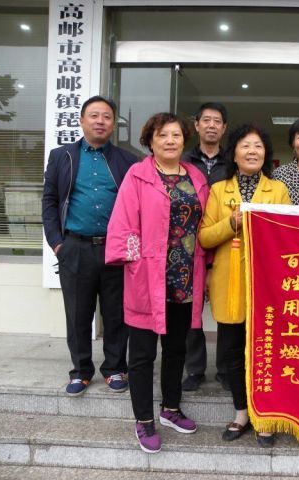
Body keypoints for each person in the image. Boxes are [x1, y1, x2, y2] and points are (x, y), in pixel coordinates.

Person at [105, 113, 210, 454]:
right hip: (148, 277)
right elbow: (124, 224)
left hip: (185, 277)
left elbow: (205, 226)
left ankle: (171, 408)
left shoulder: (196, 177)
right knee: (142, 353)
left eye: (176, 135)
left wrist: (208, 266)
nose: (170, 140)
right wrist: (136, 262)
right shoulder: (138, 175)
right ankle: (144, 419)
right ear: (150, 141)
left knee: (177, 348)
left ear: (184, 140)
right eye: (162, 135)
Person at [198, 124, 291, 448]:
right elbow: (205, 237)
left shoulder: (278, 190)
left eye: (258, 146)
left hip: (268, 284)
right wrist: (231, 223)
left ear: (266, 154)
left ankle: (266, 415)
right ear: (234, 154)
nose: (252, 151)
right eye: (245, 146)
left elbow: (289, 236)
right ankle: (241, 412)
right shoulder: (218, 190)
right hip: (230, 285)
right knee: (232, 353)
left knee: (267, 352)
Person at [42, 95, 137, 396]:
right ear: (81, 120)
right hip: (75, 247)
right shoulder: (62, 156)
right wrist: (57, 243)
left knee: (116, 314)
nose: (100, 121)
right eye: (94, 115)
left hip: (115, 249)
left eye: (106, 116)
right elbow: (50, 201)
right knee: (77, 314)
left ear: (113, 124)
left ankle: (115, 368)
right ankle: (81, 371)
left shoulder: (128, 160)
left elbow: (136, 206)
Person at [181, 102, 230, 393]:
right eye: (206, 120)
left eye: (217, 121)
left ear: (224, 128)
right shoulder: (183, 160)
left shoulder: (232, 161)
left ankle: (225, 369)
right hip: (188, 245)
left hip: (225, 241)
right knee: (191, 311)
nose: (212, 125)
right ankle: (195, 369)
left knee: (227, 309)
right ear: (197, 125)